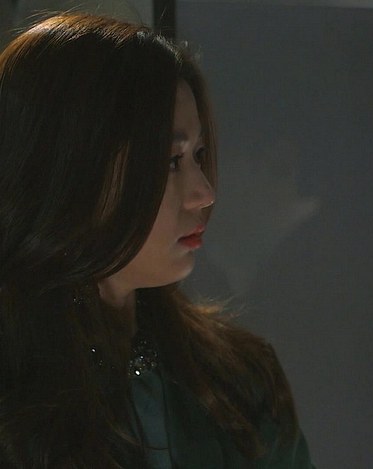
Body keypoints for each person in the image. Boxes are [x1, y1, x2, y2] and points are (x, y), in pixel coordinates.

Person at [0, 14, 314, 468]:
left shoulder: (239, 381)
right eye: (170, 161)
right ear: (68, 171)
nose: (204, 192)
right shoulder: (16, 396)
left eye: (199, 156)